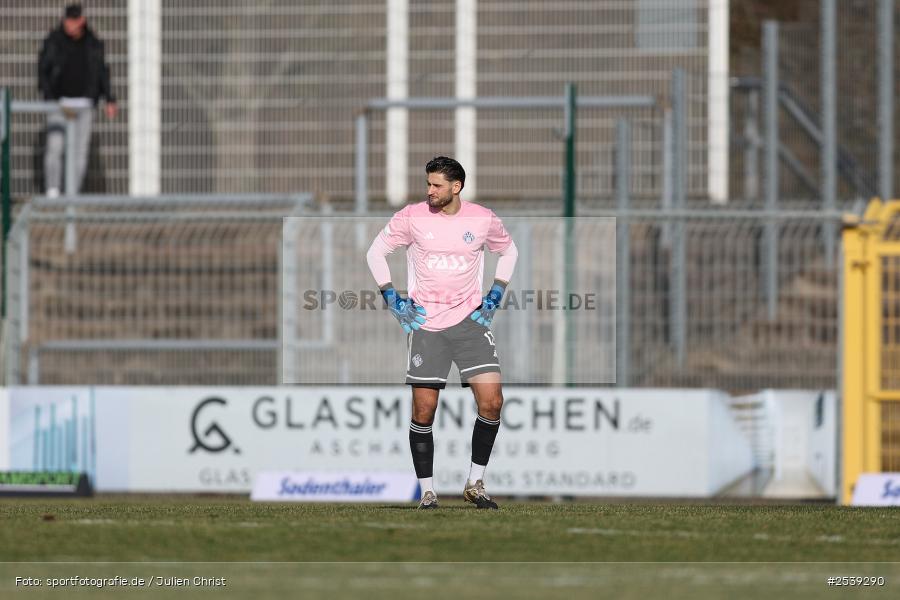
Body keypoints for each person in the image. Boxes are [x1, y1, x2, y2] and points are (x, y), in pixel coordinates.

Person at [366, 156, 519, 509]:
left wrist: (496, 293)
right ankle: (428, 491)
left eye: (436, 185)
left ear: (456, 187)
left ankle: (475, 483)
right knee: (424, 409)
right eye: (428, 184)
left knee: (493, 402)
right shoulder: (411, 217)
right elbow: (376, 252)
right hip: (427, 325)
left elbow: (509, 251)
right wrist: (392, 297)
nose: (429, 191)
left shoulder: (482, 219)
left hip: (470, 324)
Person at [38, 3, 117, 197]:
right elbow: (43, 70)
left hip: (84, 104)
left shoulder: (93, 43)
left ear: (81, 21)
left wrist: (109, 98)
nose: (69, 24)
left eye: (73, 20)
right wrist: (49, 96)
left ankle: (72, 194)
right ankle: (53, 191)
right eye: (67, 20)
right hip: (59, 104)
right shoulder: (54, 41)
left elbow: (101, 72)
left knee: (79, 152)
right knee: (55, 147)